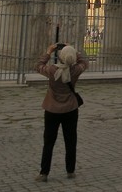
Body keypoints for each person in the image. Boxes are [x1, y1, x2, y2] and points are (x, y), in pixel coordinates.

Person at [34, 43, 88, 182]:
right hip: (70, 109)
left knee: (49, 142)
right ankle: (70, 171)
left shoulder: (52, 70)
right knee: (70, 141)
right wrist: (74, 51)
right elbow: (84, 63)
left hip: (52, 109)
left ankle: (44, 173)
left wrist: (48, 51)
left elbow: (39, 65)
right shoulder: (75, 70)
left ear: (60, 57)